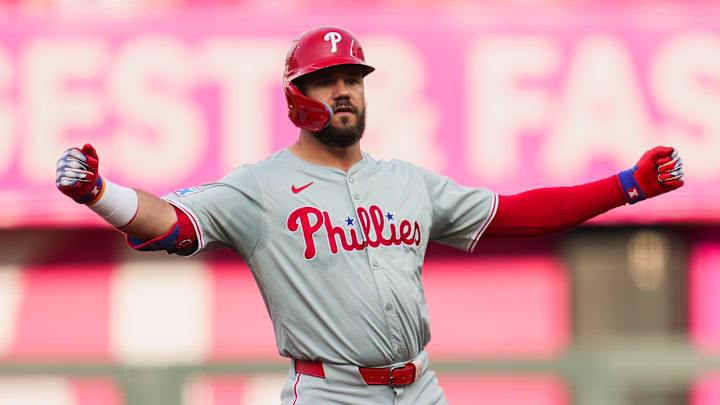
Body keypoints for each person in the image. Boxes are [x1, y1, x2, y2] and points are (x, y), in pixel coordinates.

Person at [55, 26, 684, 405]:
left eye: (352, 77)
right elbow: (172, 224)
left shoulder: (406, 182)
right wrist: (100, 193)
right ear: (295, 97)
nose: (344, 90)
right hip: (332, 390)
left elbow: (516, 214)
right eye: (325, 79)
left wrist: (625, 186)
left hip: (419, 387)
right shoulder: (261, 186)